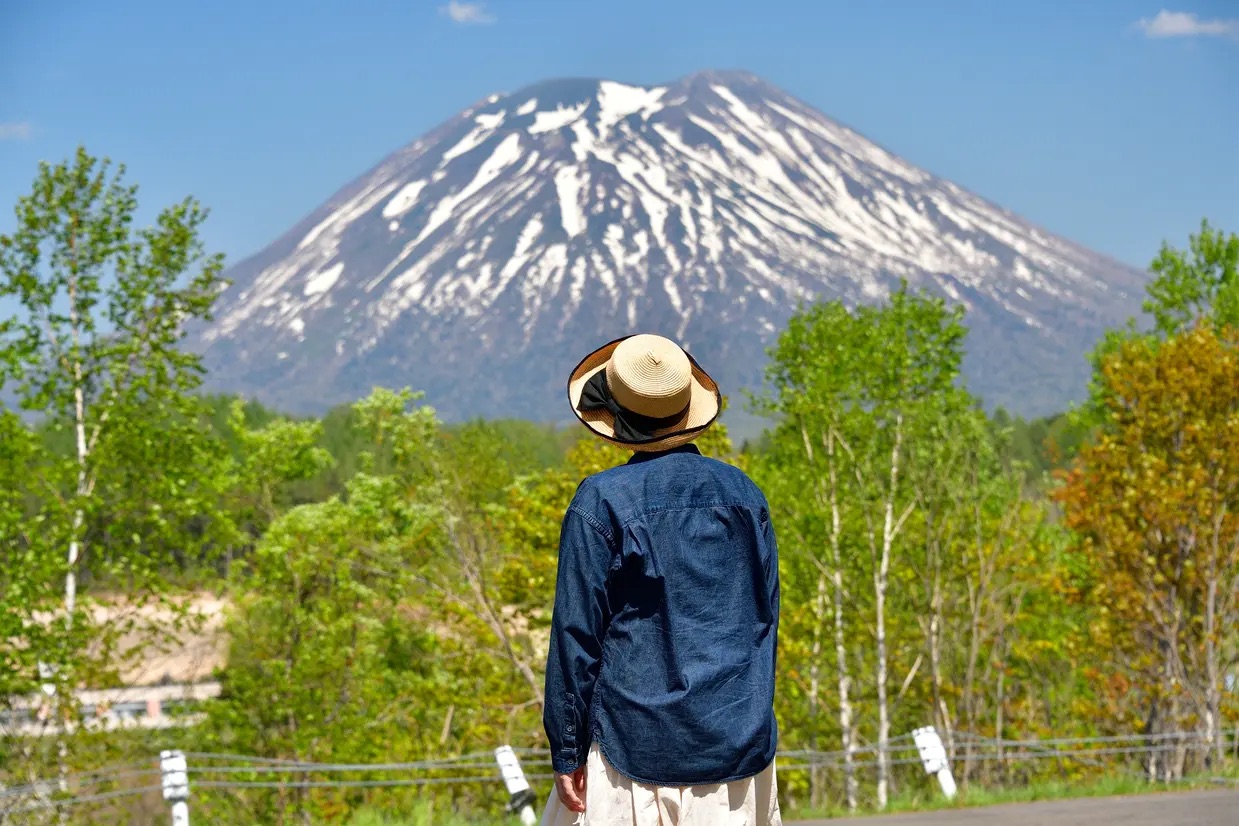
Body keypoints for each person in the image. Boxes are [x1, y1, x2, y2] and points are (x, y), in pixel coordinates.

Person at [540, 334, 782, 825]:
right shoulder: (746, 494)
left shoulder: (601, 502)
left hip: (631, 751)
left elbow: (576, 637)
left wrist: (566, 751)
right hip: (738, 749)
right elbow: (765, 617)